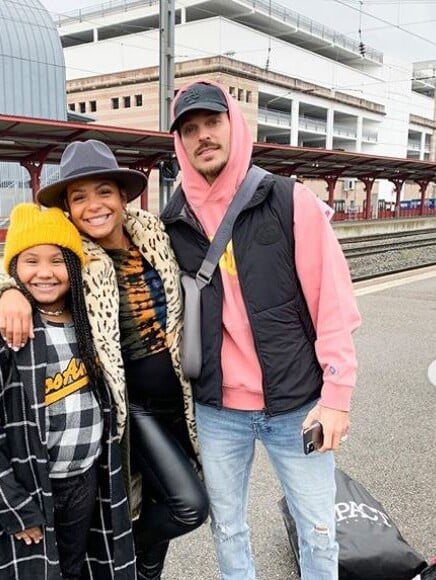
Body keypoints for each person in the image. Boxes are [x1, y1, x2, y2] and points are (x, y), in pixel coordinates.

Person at [0, 141, 209, 580]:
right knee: (188, 505)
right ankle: (121, 551)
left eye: (104, 192)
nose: (94, 206)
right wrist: (7, 293)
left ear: (122, 195)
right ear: (68, 210)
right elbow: (19, 266)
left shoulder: (155, 233)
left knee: (159, 504)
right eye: (79, 197)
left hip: (184, 399)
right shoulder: (74, 256)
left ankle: (139, 570)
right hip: (134, 408)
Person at [159, 80, 362, 580]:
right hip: (217, 407)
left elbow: (332, 302)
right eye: (190, 129)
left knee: (318, 529)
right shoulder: (172, 218)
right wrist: (7, 290)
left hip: (296, 403)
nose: (203, 136)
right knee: (227, 528)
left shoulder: (289, 200)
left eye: (212, 123)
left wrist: (336, 396)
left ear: (234, 125)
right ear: (180, 143)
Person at [0, 203, 135, 580]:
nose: (44, 273)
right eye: (31, 261)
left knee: (73, 565)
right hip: (29, 483)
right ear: (13, 270)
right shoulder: (1, 331)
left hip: (84, 476)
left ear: (73, 267)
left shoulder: (90, 324)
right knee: (29, 571)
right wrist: (11, 505)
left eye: (58, 260)